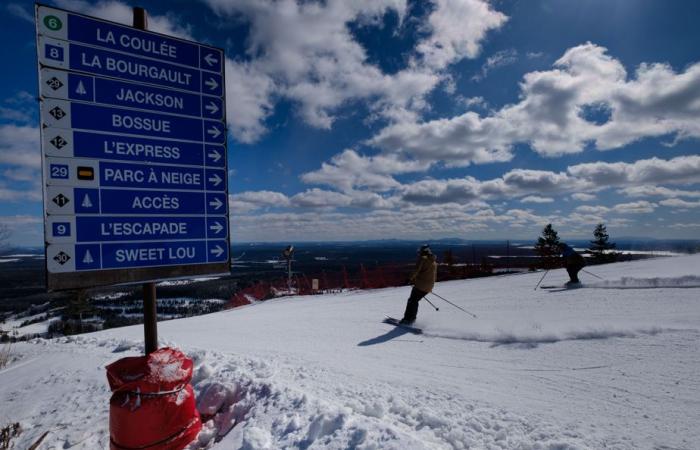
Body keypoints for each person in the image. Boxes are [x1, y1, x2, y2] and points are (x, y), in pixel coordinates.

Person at [400, 245, 437, 325]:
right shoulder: (433, 261)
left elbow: (416, 270)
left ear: (423, 252)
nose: (419, 253)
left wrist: (409, 279)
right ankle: (411, 319)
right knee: (414, 300)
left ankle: (408, 320)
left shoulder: (423, 259)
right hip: (429, 286)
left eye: (420, 251)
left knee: (412, 301)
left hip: (420, 285)